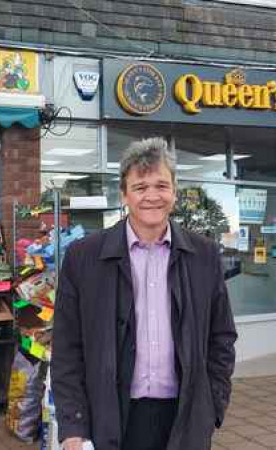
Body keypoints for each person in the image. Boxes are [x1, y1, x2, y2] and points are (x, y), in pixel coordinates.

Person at [52, 137, 238, 450]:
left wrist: (212, 408)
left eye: (161, 185)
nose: (152, 196)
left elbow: (222, 338)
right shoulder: (83, 257)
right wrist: (73, 425)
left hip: (183, 419)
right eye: (140, 187)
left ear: (174, 192)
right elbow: (67, 348)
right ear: (124, 194)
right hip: (109, 419)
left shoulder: (204, 255)